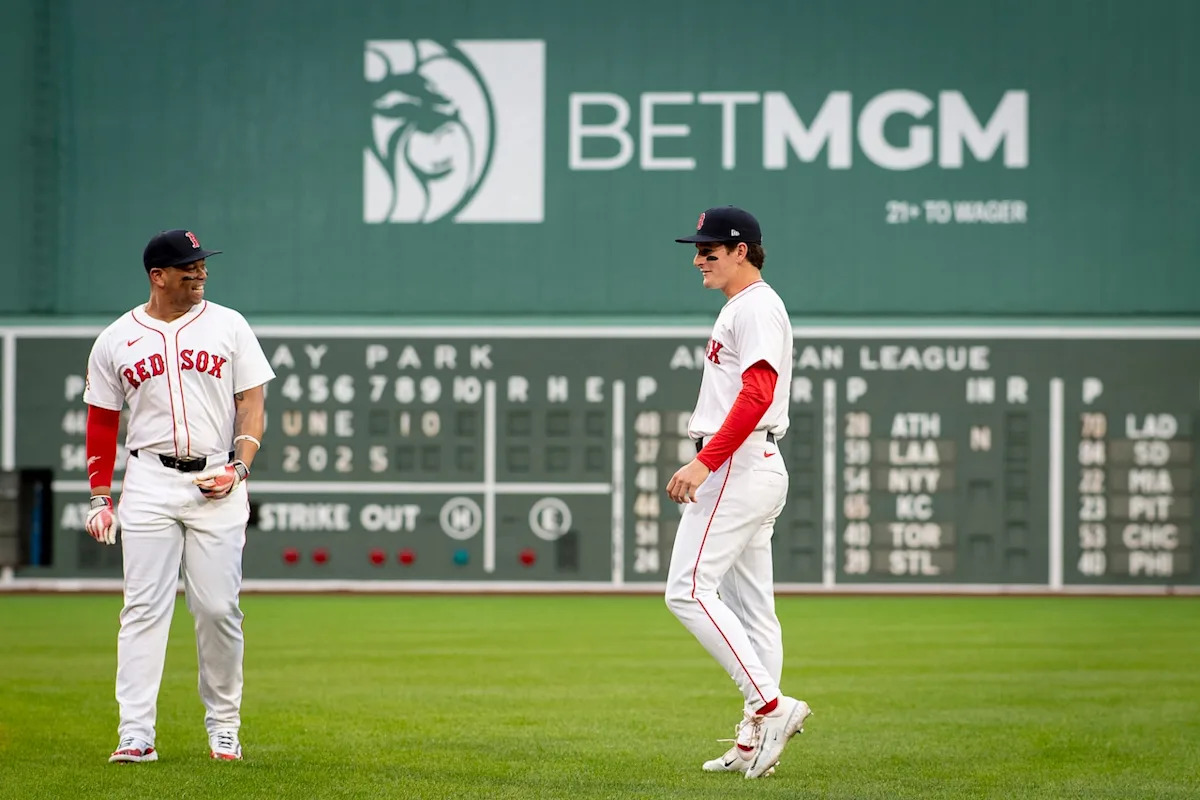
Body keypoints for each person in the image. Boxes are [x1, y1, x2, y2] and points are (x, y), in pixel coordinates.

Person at [82, 229, 275, 763]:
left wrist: (239, 467)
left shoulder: (229, 325)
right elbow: (101, 420)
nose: (200, 272)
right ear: (157, 275)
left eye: (202, 264)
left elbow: (252, 402)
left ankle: (224, 726)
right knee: (143, 609)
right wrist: (101, 495)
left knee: (217, 609)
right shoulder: (117, 338)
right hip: (148, 480)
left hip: (217, 477)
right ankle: (136, 733)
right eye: (188, 265)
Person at [664, 206, 811, 779]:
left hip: (738, 466)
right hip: (756, 465)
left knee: (687, 591)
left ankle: (771, 707)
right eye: (697, 248)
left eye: (710, 249)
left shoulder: (755, 307)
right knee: (754, 612)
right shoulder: (745, 307)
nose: (698, 257)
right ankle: (755, 743)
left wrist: (706, 460)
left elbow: (757, 393)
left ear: (742, 250)